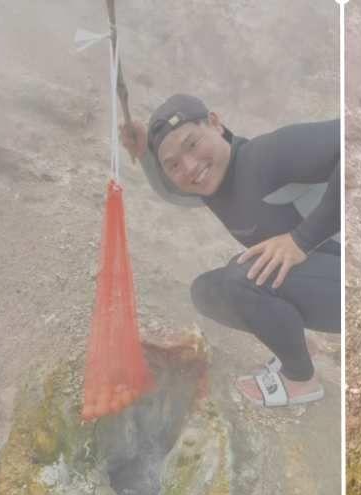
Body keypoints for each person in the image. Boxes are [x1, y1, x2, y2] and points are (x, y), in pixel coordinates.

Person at [120, 93, 341, 408]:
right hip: (326, 283)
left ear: (214, 122)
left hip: (356, 281)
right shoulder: (215, 186)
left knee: (242, 278)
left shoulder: (266, 156)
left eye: (192, 145)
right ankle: (297, 347)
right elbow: (174, 192)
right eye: (173, 165)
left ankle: (301, 380)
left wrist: (301, 240)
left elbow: (351, 144)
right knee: (208, 292)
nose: (190, 167)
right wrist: (144, 154)